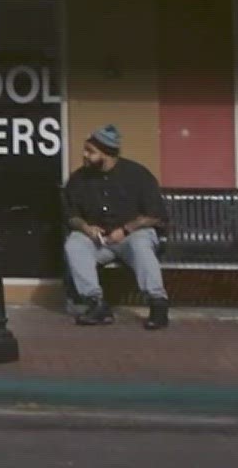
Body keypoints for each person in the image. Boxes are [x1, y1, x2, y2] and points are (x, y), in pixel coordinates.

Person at [62, 124, 170, 330]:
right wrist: (86, 228)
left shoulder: (137, 175)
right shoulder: (79, 179)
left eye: (90, 152)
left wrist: (126, 229)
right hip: (99, 241)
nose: (84, 156)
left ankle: (158, 303)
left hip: (130, 236)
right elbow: (71, 215)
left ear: (107, 154)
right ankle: (96, 303)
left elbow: (155, 216)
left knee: (141, 244)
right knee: (74, 244)